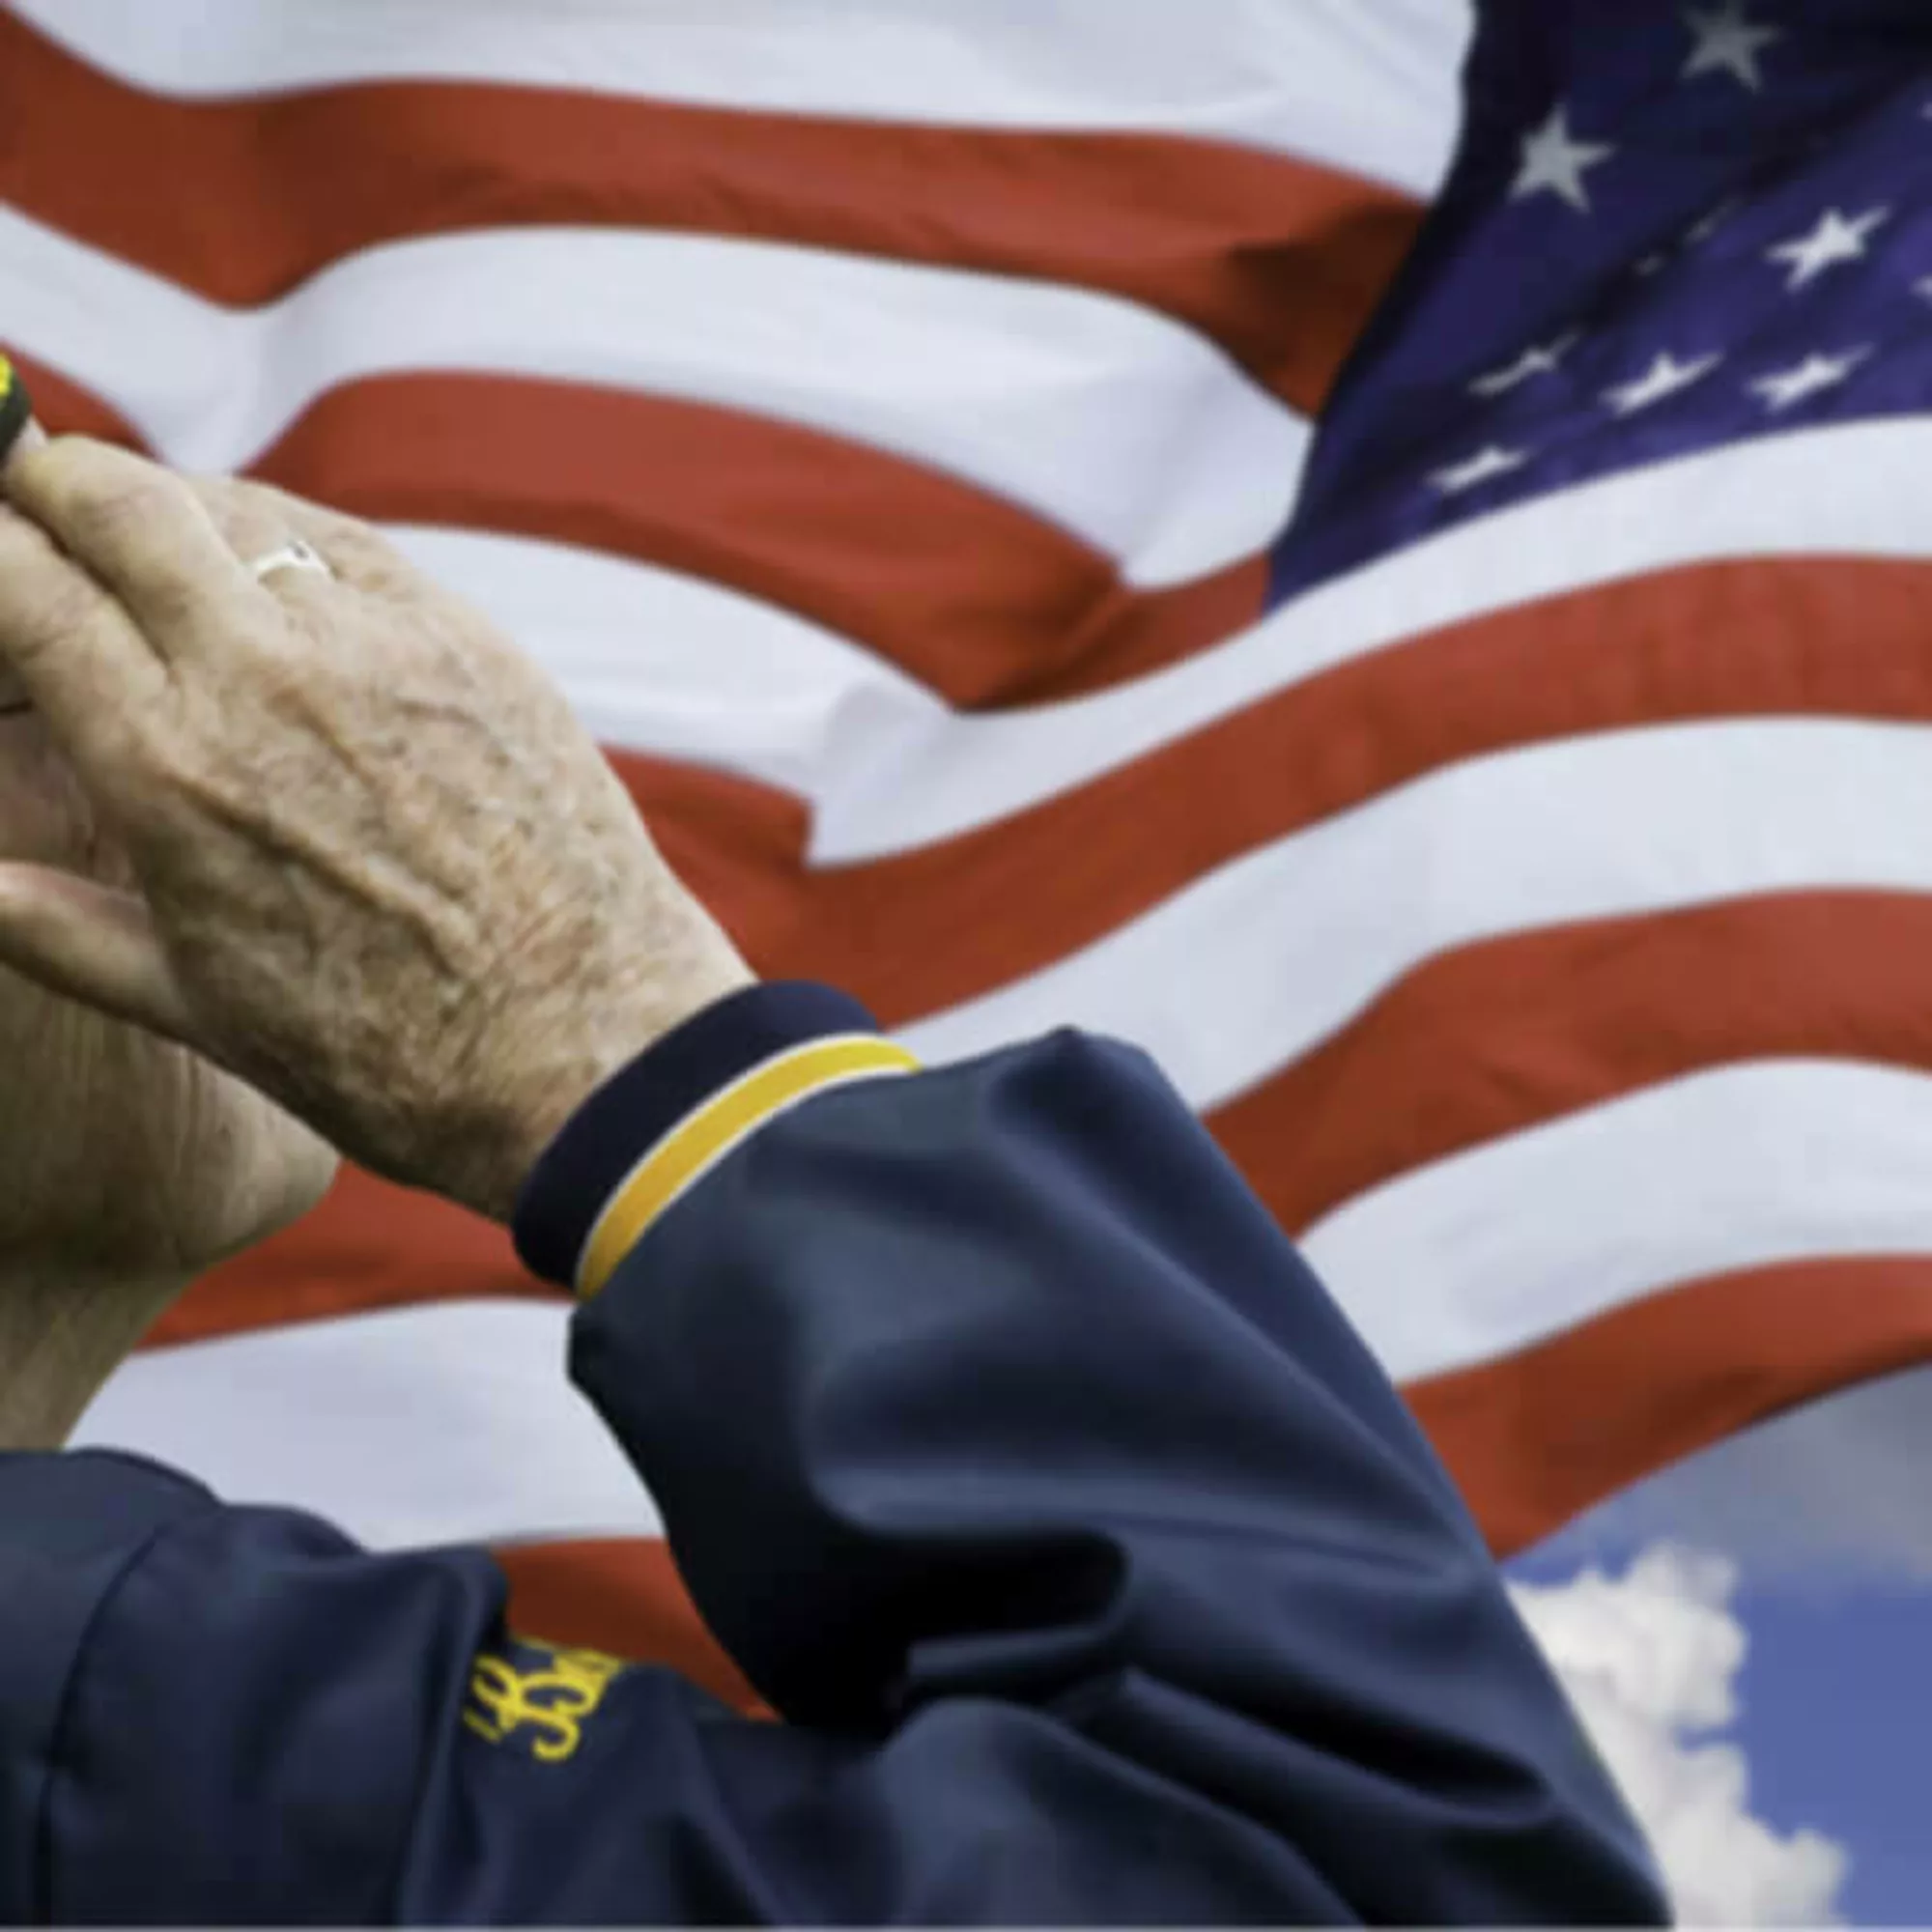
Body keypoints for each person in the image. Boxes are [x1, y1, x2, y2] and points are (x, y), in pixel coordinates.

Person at [0, 409, 1671, 1923]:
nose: (188, 748)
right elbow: (1363, 1878)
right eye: (34, 653)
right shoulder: (83, 1712)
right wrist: (590, 1013)